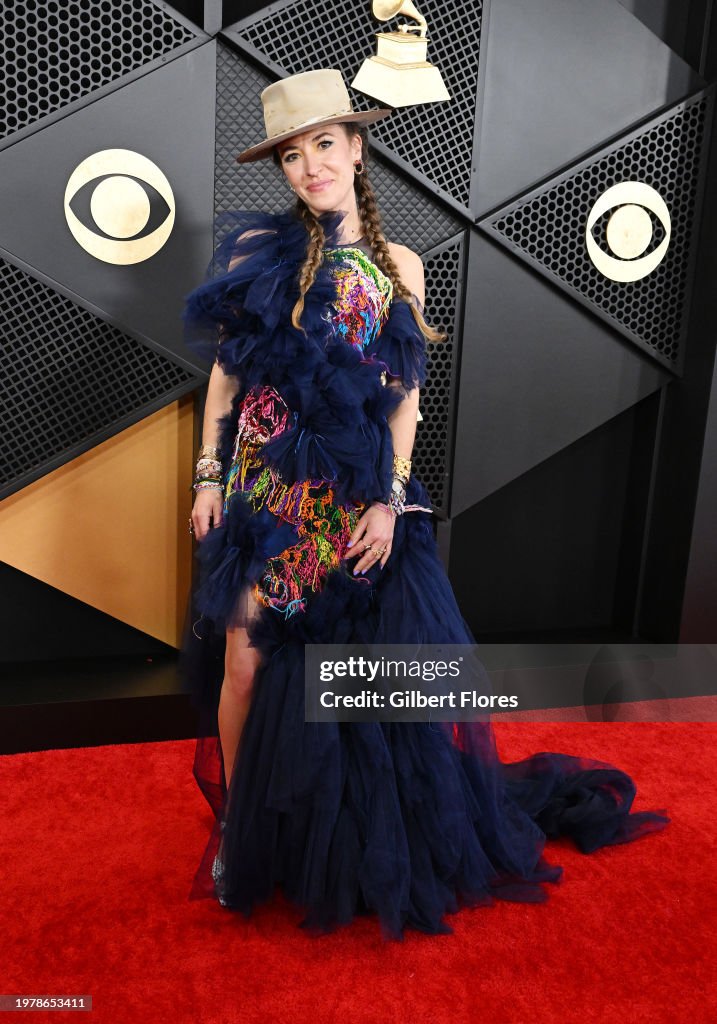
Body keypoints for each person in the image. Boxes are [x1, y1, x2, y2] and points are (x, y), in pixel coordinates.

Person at [180, 68, 669, 941]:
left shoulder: (398, 266)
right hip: (263, 492)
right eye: (292, 155)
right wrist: (210, 477)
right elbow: (224, 375)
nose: (310, 167)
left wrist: (389, 502)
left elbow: (403, 398)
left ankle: (350, 838)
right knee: (246, 665)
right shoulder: (262, 256)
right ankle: (239, 833)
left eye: (324, 145)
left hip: (354, 497)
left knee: (356, 686)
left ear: (356, 148)